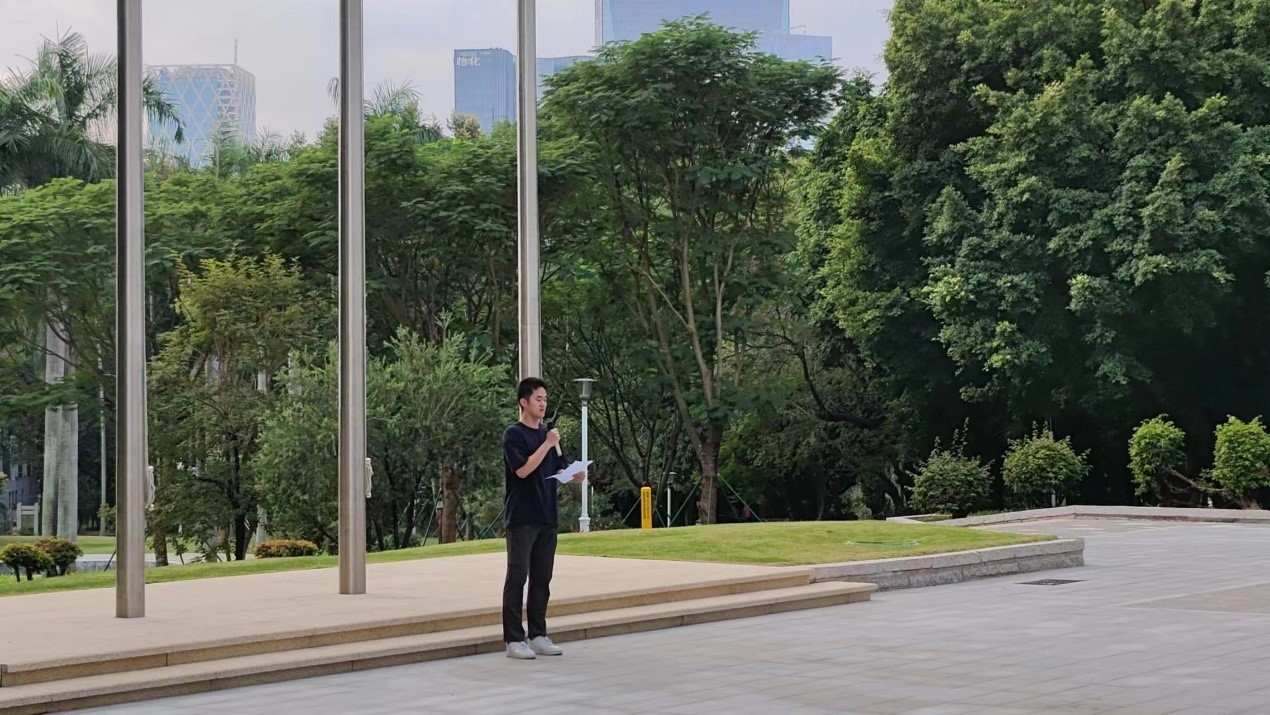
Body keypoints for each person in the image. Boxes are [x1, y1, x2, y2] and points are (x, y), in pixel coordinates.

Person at [502, 377, 584, 660]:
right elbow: (523, 470)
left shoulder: (549, 435)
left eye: (545, 399)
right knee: (517, 577)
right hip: (522, 516)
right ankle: (514, 639)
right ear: (524, 402)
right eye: (538, 399)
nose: (543, 404)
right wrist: (547, 444)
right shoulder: (514, 435)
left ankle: (538, 634)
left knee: (542, 578)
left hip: (547, 515)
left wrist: (573, 475)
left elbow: (559, 469)